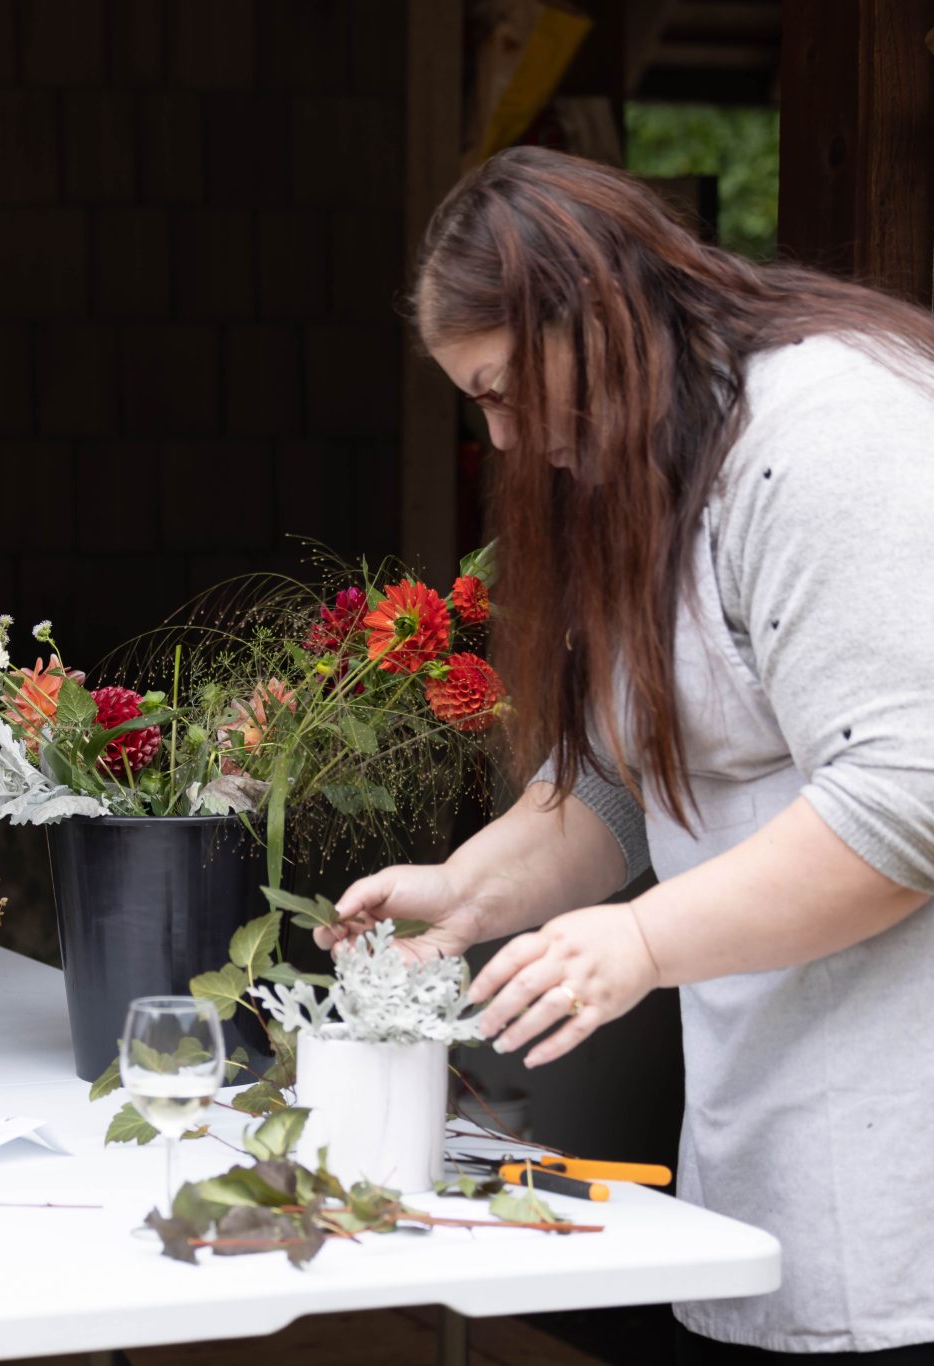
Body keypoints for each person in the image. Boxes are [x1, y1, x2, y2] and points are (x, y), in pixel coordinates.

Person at [320, 148, 934, 1362]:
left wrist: (640, 943)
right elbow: (619, 775)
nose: (499, 441)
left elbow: (908, 799)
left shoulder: (835, 432)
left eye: (499, 393)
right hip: (774, 1127)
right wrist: (467, 894)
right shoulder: (646, 462)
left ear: (584, 320)